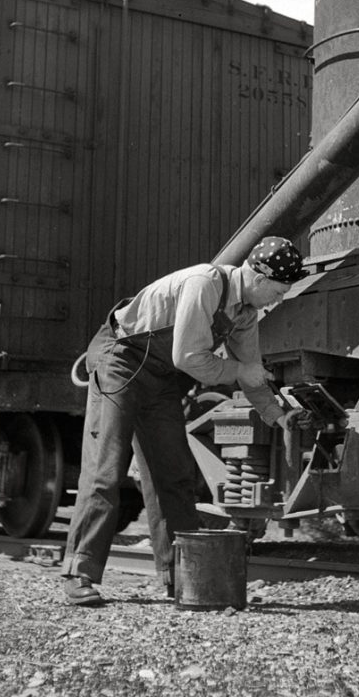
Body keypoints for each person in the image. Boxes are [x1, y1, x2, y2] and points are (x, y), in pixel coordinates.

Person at [62, 236, 309, 606]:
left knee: (173, 474)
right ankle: (78, 571)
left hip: (160, 378)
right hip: (121, 361)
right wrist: (241, 368)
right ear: (259, 278)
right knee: (106, 469)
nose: (279, 300)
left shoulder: (245, 314)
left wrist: (277, 415)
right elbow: (189, 357)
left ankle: (179, 575)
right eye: (278, 291)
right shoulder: (205, 283)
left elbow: (250, 374)